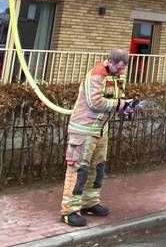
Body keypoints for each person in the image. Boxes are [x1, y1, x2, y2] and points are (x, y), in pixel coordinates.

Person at [59, 48, 135, 227]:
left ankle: (89, 203)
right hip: (84, 130)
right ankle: (69, 211)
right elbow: (96, 103)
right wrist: (121, 105)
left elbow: (116, 98)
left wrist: (126, 106)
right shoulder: (96, 74)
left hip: (100, 130)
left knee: (97, 167)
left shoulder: (117, 76)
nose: (122, 72)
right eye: (119, 68)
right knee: (79, 170)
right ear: (110, 62)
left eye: (124, 68)